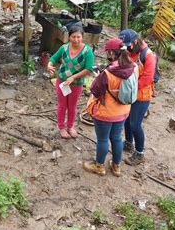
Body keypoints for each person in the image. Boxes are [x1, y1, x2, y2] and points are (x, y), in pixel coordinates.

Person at [83, 38, 137, 176]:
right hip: (123, 111)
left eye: (107, 52)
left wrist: (97, 78)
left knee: (102, 139)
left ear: (112, 53)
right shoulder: (134, 67)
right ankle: (116, 166)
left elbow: (95, 90)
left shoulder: (108, 73)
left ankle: (99, 166)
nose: (107, 55)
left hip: (106, 113)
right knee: (117, 137)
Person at [47, 26, 94, 138]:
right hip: (62, 82)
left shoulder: (87, 51)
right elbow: (53, 58)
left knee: (72, 106)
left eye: (78, 37)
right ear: (69, 37)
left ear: (82, 37)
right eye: (73, 37)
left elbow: (89, 69)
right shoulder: (64, 48)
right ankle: (61, 127)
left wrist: (74, 77)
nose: (76, 39)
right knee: (62, 105)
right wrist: (49, 64)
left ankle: (70, 126)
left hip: (76, 84)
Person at [119, 29, 155, 165]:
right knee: (127, 121)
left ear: (135, 41)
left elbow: (147, 78)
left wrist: (130, 87)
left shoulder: (148, 55)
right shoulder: (130, 51)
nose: (127, 48)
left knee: (135, 124)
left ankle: (140, 153)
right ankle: (128, 143)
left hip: (142, 95)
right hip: (130, 93)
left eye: (128, 45)